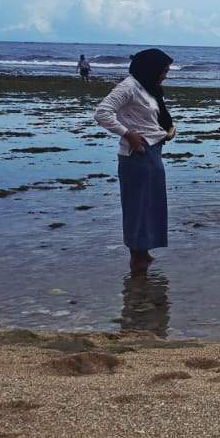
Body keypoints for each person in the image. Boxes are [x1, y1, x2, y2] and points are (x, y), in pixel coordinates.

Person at [94, 48, 175, 272]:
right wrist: (127, 133)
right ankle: (137, 257)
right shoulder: (129, 86)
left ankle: (144, 252)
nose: (166, 74)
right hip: (137, 154)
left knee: (152, 205)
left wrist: (166, 129)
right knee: (137, 207)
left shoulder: (148, 87)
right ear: (151, 68)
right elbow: (102, 113)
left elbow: (150, 118)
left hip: (153, 150)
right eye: (164, 70)